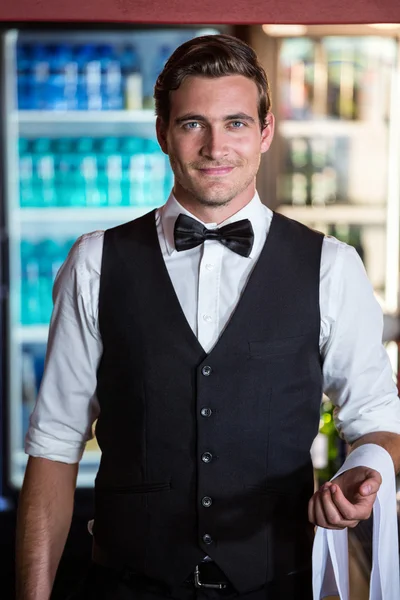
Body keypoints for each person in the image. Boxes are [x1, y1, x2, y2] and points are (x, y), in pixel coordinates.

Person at [16, 34, 400, 600]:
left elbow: (376, 422)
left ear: (266, 132)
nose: (216, 146)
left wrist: (361, 473)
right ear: (163, 134)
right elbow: (54, 446)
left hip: (277, 583)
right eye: (194, 123)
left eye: (237, 123)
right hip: (127, 585)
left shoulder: (332, 268)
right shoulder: (95, 262)